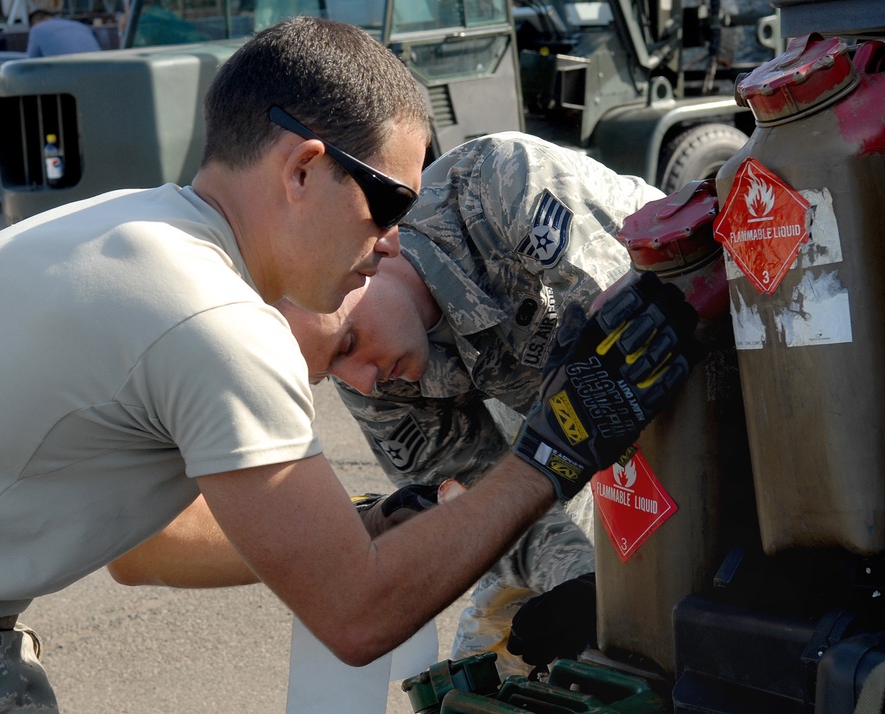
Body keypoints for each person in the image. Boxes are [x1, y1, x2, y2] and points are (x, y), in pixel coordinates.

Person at [0, 17, 697, 713]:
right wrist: (551, 456)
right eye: (389, 204)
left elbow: (147, 547)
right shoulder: (215, 318)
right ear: (302, 169)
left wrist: (364, 525)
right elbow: (357, 617)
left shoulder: (125, 233)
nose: (392, 243)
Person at [111, 132, 677, 678]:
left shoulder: (501, 187)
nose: (361, 383)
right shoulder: (371, 374)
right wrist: (580, 587)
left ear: (372, 255)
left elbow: (645, 336)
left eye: (349, 345)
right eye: (330, 374)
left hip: (711, 369)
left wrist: (628, 603)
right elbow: (481, 504)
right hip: (583, 440)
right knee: (487, 661)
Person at [26, 9, 102, 57]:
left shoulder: (37, 29)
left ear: (36, 22)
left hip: (70, 75)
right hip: (99, 71)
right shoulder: (82, 26)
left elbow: (31, 64)